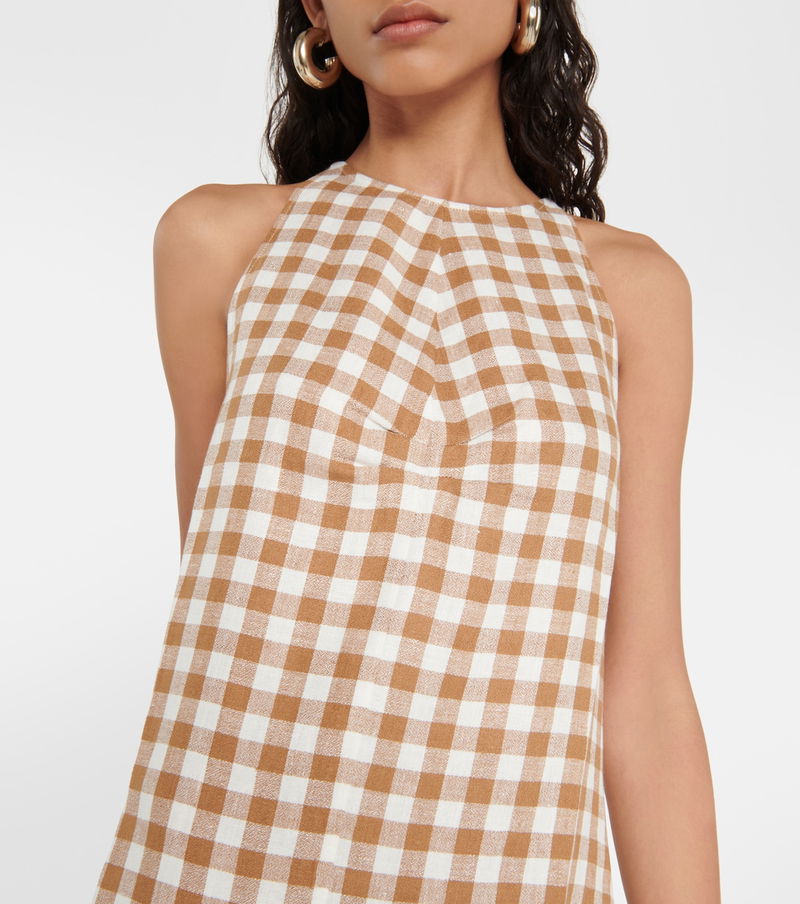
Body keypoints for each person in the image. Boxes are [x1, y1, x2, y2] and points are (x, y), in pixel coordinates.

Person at [93, 1, 720, 902]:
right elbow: (221, 599)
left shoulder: (631, 291)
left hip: (504, 873)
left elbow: (646, 686)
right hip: (221, 860)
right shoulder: (218, 242)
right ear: (318, 13)